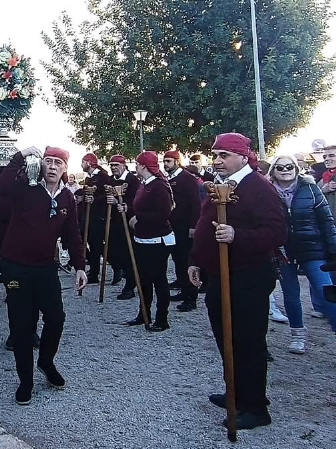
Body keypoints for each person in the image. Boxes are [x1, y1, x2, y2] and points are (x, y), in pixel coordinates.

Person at [189, 133, 287, 430]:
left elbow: (277, 232)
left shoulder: (258, 187)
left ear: (244, 157)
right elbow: (205, 224)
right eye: (215, 155)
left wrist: (238, 236)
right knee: (225, 337)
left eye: (224, 155)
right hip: (220, 273)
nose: (217, 161)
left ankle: (255, 407)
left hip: (248, 275)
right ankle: (237, 392)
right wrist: (195, 258)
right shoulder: (220, 183)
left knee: (246, 340)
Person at [0, 146, 87, 406]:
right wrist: (20, 155)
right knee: (22, 324)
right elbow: (2, 186)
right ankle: (25, 380)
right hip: (16, 267)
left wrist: (80, 266)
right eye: (48, 161)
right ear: (41, 164)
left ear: (64, 169)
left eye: (58, 162)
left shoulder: (67, 198)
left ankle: (46, 362)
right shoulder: (25, 187)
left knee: (56, 318)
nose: (52, 166)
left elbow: (73, 235)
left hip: (46, 267)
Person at [268, 155, 336, 351]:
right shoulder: (268, 192)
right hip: (284, 251)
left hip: (313, 249)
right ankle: (297, 336)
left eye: (289, 166)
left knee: (327, 292)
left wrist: (333, 250)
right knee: (290, 295)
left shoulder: (310, 188)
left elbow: (326, 220)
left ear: (296, 169)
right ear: (273, 171)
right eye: (280, 167)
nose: (285, 170)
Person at [123, 152, 175, 332]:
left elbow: (164, 214)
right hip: (142, 239)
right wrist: (129, 210)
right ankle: (143, 313)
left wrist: (139, 218)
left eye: (137, 164)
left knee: (158, 279)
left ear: (144, 166)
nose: (135, 167)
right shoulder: (144, 185)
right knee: (143, 279)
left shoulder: (159, 186)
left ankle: (162, 318)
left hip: (157, 240)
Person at [164, 150, 202, 312]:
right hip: (173, 225)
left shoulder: (187, 179)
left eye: (169, 161)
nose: (165, 164)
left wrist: (193, 226)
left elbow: (195, 204)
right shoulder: (168, 179)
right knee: (178, 260)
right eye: (164, 161)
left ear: (177, 162)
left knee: (187, 262)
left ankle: (191, 297)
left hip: (185, 227)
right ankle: (182, 288)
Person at [106, 155, 138, 293]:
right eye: (111, 165)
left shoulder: (132, 180)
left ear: (124, 165)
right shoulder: (110, 180)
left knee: (128, 253)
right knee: (111, 251)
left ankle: (130, 285)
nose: (113, 168)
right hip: (113, 221)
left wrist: (123, 205)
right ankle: (119, 270)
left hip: (128, 222)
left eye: (116, 165)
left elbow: (136, 200)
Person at [80, 153, 111, 284]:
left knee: (97, 245)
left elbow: (108, 195)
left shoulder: (103, 177)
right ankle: (93, 270)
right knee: (86, 241)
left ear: (89, 162)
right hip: (89, 216)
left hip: (99, 216)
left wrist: (95, 200)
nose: (81, 165)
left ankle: (97, 272)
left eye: (82, 162)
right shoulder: (89, 178)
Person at [317, 144, 336, 216]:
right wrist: (323, 191)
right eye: (324, 157)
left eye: (331, 156)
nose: (326, 159)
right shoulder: (322, 179)